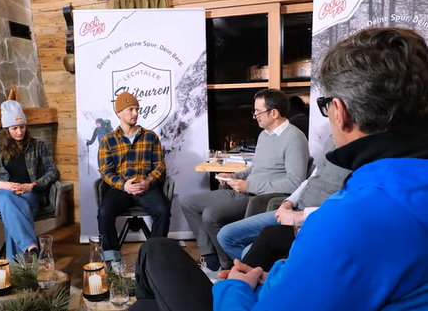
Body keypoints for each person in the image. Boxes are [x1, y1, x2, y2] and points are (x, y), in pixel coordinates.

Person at [130, 27, 428, 311]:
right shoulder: (399, 189)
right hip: (272, 283)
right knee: (151, 291)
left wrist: (235, 287)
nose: (255, 116)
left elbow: (300, 188)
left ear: (340, 112)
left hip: (246, 294)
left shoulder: (349, 220)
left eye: (325, 106)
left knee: (155, 251)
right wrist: (270, 277)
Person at [180, 89, 309, 274]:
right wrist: (235, 177)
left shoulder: (295, 138)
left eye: (258, 111)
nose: (255, 115)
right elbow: (255, 169)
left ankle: (227, 266)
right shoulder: (265, 135)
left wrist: (249, 185)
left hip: (259, 198)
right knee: (188, 203)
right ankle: (211, 260)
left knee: (210, 215)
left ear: (274, 113)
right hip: (244, 190)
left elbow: (295, 183)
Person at [216, 136, 350, 261]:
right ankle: (258, 273)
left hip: (316, 220)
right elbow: (311, 179)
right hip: (295, 208)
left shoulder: (364, 155)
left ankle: (259, 274)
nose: (256, 116)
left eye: (258, 112)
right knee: (225, 236)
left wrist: (301, 215)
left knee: (248, 251)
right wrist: (288, 202)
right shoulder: (332, 139)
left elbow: (350, 207)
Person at [0, 100, 60, 262]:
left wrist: (32, 186)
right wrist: (2, 185)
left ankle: (17, 267)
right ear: (6, 130)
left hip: (28, 194)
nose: (20, 132)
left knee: (12, 212)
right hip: (1, 195)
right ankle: (31, 246)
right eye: (14, 128)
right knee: (7, 198)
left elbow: (53, 172)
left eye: (22, 127)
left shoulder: (38, 146)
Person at [97, 91, 170, 261]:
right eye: (130, 109)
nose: (135, 113)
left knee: (162, 210)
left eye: (137, 109)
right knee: (104, 212)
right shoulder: (108, 140)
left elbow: (159, 167)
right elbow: (105, 171)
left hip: (145, 187)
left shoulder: (151, 137)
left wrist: (148, 183)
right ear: (119, 113)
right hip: (121, 188)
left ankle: (153, 256)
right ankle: (112, 258)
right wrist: (124, 185)